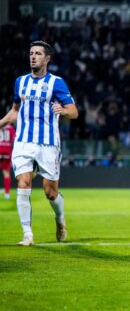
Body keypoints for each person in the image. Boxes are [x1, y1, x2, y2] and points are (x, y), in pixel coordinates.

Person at [0, 40, 78, 246]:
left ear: (47, 58)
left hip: (48, 144)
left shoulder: (57, 83)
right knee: (23, 183)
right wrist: (1, 123)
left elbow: (74, 112)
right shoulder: (20, 82)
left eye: (38, 54)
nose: (33, 56)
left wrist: (63, 111)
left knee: (49, 192)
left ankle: (60, 219)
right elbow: (15, 111)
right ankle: (27, 234)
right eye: (31, 53)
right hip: (23, 141)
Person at [0, 124, 15, 199]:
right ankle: (7, 193)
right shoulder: (10, 128)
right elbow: (14, 140)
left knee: (5, 173)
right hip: (6, 151)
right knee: (6, 173)